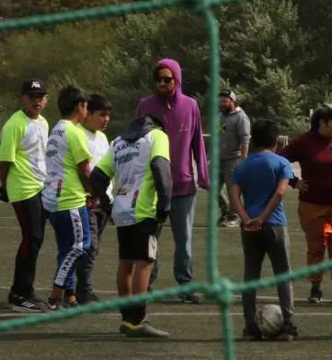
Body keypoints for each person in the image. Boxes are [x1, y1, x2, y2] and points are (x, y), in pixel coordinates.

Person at [92, 115, 172, 339]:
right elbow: (160, 166)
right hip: (144, 210)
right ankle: (137, 320)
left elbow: (97, 175)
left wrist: (106, 203)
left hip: (121, 209)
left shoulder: (117, 142)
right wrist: (165, 204)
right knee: (144, 263)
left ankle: (127, 318)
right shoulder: (157, 136)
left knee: (126, 263)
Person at [136, 58, 210, 303]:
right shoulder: (145, 105)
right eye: (157, 79)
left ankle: (185, 285)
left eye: (167, 79)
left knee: (184, 240)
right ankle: (146, 285)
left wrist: (203, 176)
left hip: (183, 185)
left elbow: (198, 142)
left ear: (176, 80)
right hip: (152, 186)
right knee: (150, 239)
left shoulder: (190, 106)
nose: (161, 83)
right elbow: (135, 142)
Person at [280, 104, 332, 305]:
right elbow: (280, 161)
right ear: (322, 123)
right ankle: (315, 288)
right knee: (315, 248)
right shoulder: (303, 142)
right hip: (312, 204)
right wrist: (294, 181)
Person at [230, 118, 299, 341]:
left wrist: (247, 219)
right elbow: (280, 192)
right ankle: (288, 325)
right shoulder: (281, 163)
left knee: (251, 276)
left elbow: (234, 196)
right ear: (275, 141)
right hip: (274, 223)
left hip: (249, 227)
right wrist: (263, 217)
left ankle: (250, 326)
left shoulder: (242, 165)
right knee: (283, 274)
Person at [0, 78, 50, 313]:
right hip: (23, 188)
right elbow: (4, 160)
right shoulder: (14, 124)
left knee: (35, 239)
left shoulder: (44, 123)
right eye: (32, 97)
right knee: (32, 237)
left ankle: (22, 290)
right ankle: (21, 293)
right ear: (23, 99)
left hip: (40, 187)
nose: (36, 101)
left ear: (46, 100)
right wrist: (5, 186)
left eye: (40, 97)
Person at [41, 85, 94, 310]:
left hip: (53, 200)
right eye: (86, 107)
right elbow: (85, 169)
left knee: (66, 249)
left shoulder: (56, 131)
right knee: (81, 246)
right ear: (79, 106)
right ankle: (55, 296)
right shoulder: (74, 132)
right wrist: (94, 192)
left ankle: (70, 296)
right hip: (70, 200)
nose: (86, 112)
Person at [78, 94, 113, 305]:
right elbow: (82, 170)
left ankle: (79, 289)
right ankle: (83, 291)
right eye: (102, 114)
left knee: (94, 247)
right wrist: (90, 192)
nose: (106, 119)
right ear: (88, 113)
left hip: (103, 201)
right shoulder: (78, 135)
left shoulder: (102, 138)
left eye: (108, 115)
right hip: (87, 201)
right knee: (88, 246)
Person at [217, 89, 251, 228]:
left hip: (234, 158)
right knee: (211, 185)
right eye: (221, 102)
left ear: (233, 101)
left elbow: (245, 139)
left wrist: (244, 160)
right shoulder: (220, 116)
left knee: (232, 189)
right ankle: (225, 210)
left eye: (225, 101)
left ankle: (234, 216)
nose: (222, 104)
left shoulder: (241, 117)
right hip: (219, 158)